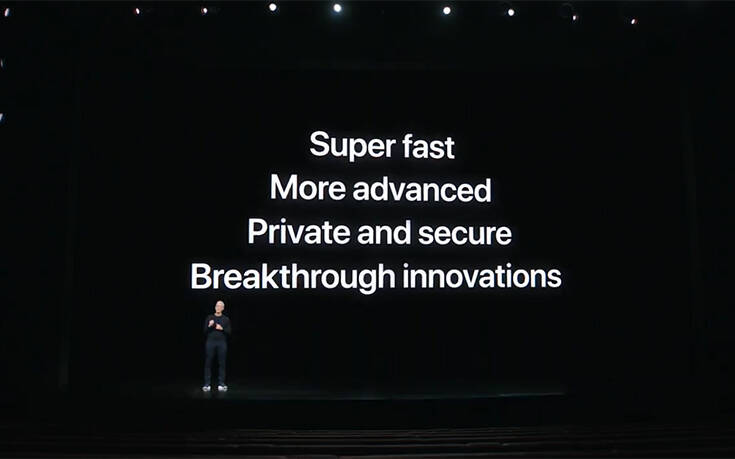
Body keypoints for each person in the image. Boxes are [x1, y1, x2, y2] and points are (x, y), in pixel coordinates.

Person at [202, 300, 232, 392]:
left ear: (223, 308)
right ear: (215, 307)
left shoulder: (226, 319)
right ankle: (207, 384)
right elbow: (204, 331)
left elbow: (229, 332)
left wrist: (222, 328)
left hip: (221, 343)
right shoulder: (210, 317)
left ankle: (221, 384)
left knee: (222, 363)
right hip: (210, 342)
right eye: (217, 306)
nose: (218, 307)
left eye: (220, 306)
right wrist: (209, 325)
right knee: (208, 363)